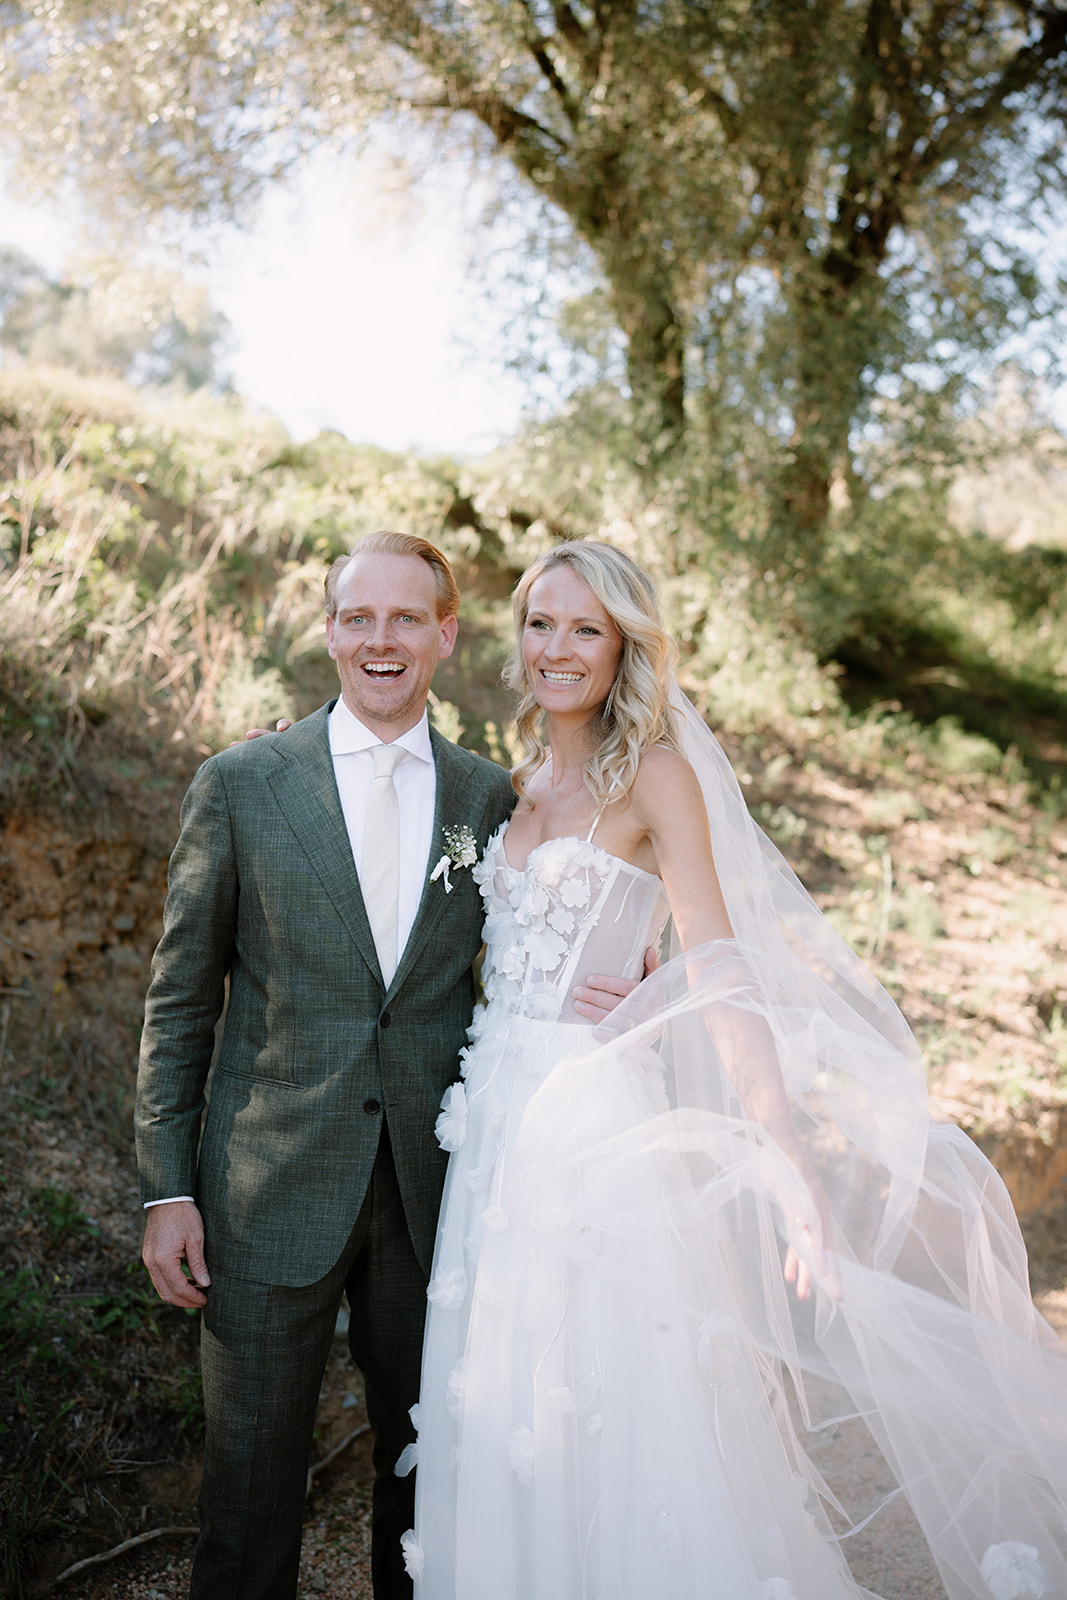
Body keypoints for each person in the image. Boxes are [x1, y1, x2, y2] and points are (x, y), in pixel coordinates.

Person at [401, 539, 1067, 1600]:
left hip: (593, 1122)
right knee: (505, 1389)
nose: (557, 647)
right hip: (490, 1123)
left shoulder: (654, 777)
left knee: (610, 1397)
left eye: (585, 629)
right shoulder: (509, 787)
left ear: (623, 648)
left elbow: (721, 968)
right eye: (539, 623)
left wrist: (781, 1154)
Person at [134, 531, 642, 1600]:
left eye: (407, 617)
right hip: (263, 1193)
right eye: (358, 616)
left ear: (445, 636)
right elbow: (180, 1001)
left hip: (439, 1203)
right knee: (246, 1492)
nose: (382, 638)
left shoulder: (491, 799)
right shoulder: (241, 783)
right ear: (328, 632)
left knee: (430, 1486)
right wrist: (166, 1186)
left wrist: (645, 987)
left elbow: (563, 925)